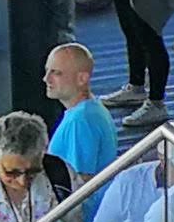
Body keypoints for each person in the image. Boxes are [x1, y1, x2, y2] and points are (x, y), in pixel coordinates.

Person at [42, 42, 119, 177]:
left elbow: (79, 182)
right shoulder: (91, 110)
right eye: (47, 70)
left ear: (82, 79)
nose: (46, 79)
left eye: (56, 73)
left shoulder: (79, 121)